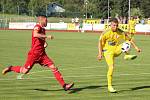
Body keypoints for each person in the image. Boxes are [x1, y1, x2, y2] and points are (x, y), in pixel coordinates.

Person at [2, 15, 74, 91]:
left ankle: (64, 85)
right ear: (41, 20)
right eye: (46, 20)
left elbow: (40, 39)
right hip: (34, 54)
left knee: (54, 67)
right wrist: (47, 36)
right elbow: (35, 34)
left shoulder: (43, 29)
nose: (47, 22)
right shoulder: (37, 27)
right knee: (25, 71)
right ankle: (11, 68)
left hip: (42, 55)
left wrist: (44, 43)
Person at [97, 18, 141, 93]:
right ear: (110, 25)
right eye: (114, 25)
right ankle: (110, 86)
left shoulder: (120, 31)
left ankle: (126, 55)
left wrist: (136, 47)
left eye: (117, 25)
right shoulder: (105, 32)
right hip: (107, 52)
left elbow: (129, 39)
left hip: (116, 49)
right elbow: (100, 43)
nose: (115, 27)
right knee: (111, 67)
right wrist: (100, 53)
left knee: (127, 42)